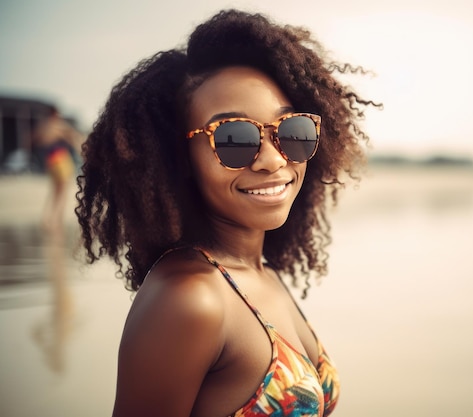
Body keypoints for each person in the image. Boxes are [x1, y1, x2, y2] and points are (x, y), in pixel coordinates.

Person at [75, 9, 380, 417]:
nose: (273, 160)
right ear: (176, 158)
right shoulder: (189, 298)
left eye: (292, 132)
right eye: (236, 138)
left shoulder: (262, 272)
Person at [33, 107, 82, 231]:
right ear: (55, 114)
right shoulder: (57, 124)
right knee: (62, 191)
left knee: (55, 191)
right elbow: (73, 136)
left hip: (50, 160)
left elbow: (35, 139)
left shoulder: (43, 125)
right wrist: (79, 149)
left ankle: (48, 219)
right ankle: (57, 220)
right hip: (60, 158)